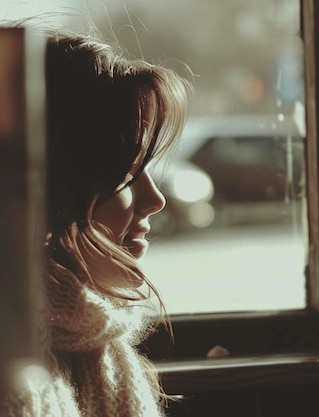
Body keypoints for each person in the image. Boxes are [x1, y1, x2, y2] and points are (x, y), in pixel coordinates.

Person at [4, 26, 191, 417]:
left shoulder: (91, 339)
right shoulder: (13, 362)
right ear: (50, 189)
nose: (155, 200)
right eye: (125, 171)